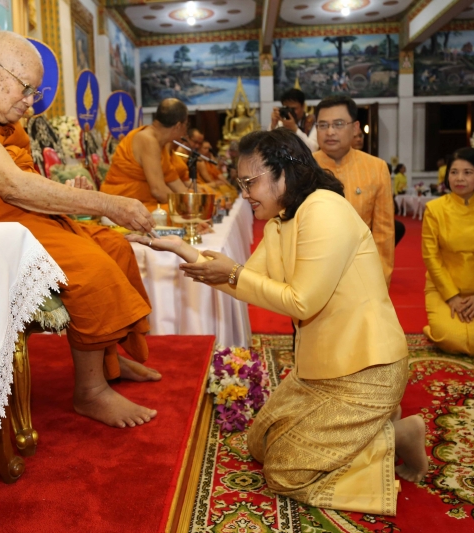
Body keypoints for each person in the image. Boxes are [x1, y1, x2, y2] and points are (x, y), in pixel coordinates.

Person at [128, 129, 428, 515]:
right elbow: (246, 280)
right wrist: (180, 247)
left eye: (250, 182)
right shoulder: (281, 221)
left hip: (366, 367)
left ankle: (397, 435)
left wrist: (233, 273)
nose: (245, 193)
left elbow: (302, 301)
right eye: (241, 184)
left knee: (285, 472)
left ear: (284, 173)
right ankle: (368, 427)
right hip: (319, 367)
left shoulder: (324, 209)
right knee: (261, 442)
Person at [0, 31, 160, 429]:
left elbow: (22, 178)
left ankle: (106, 358)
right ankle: (90, 393)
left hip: (20, 214)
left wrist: (69, 197)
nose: (30, 101)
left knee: (115, 248)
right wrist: (110, 204)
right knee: (93, 269)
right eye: (26, 89)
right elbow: (12, 186)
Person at [422, 147, 474, 356]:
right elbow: (431, 257)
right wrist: (451, 297)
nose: (459, 178)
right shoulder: (435, 209)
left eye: (467, 172)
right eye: (454, 172)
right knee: (452, 339)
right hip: (445, 288)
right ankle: (433, 327)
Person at [312, 95, 395, 286]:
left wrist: (380, 284)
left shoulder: (376, 168)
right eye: (323, 125)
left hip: (361, 276)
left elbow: (384, 234)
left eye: (338, 124)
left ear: (355, 128)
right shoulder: (302, 168)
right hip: (313, 277)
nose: (330, 132)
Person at [101, 99, 191, 212]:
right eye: (186, 125)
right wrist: (185, 209)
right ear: (178, 125)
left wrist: (191, 204)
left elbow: (175, 183)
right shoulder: (148, 140)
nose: (185, 130)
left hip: (141, 204)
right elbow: (158, 191)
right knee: (175, 215)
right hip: (122, 206)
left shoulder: (161, 145)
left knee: (197, 206)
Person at [269, 88, 318, 153]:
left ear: (303, 106)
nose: (290, 112)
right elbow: (269, 147)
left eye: (293, 109)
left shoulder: (313, 121)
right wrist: (273, 126)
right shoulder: (281, 122)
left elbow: (313, 149)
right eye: (287, 108)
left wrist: (295, 129)